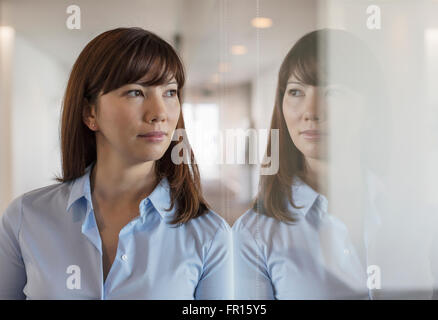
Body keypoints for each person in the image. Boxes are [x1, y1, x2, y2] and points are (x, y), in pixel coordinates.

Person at [0, 27, 231, 300]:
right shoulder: (26, 218)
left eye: (170, 92)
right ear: (90, 112)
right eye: (135, 92)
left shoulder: (210, 235)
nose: (159, 113)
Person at [232, 28, 387, 299]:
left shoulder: (412, 211)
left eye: (334, 93)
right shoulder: (253, 233)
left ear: (372, 109)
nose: (311, 112)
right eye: (295, 92)